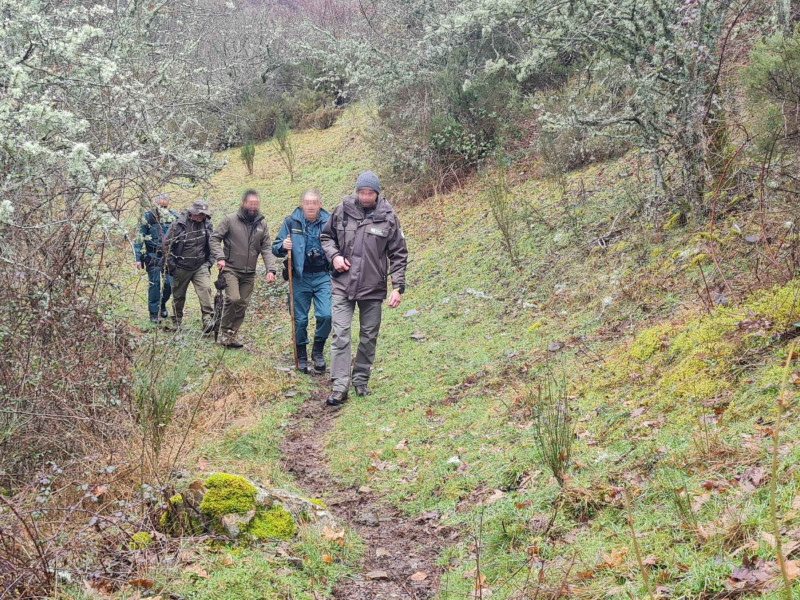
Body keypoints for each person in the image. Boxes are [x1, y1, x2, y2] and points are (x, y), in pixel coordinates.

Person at [320, 171, 408, 406]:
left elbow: (398, 253)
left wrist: (397, 286)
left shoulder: (388, 217)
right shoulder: (342, 211)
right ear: (357, 192)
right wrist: (335, 256)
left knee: (369, 336)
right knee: (340, 334)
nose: (366, 197)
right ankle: (339, 386)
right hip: (342, 284)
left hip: (373, 287)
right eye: (362, 192)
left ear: (377, 193)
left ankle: (360, 381)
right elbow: (326, 237)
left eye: (370, 193)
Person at [272, 190, 332, 373]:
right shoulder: (291, 222)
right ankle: (302, 354)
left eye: (314, 202)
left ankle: (318, 350)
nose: (311, 206)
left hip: (323, 275)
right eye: (307, 202)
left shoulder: (330, 222)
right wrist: (283, 246)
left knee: (326, 315)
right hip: (299, 276)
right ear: (301, 204)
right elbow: (275, 247)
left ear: (320, 204)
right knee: (299, 320)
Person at [210, 189, 276, 349]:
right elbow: (214, 238)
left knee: (243, 304)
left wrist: (271, 269)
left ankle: (231, 336)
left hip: (249, 272)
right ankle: (223, 332)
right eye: (250, 204)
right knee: (233, 298)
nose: (253, 207)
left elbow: (266, 248)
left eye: (256, 204)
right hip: (230, 268)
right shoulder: (230, 220)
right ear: (243, 203)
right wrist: (220, 257)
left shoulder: (262, 223)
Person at [165, 199, 215, 333]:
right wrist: (172, 266)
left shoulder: (207, 224)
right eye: (199, 214)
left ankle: (208, 320)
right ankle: (176, 322)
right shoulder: (179, 225)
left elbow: (213, 243)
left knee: (205, 289)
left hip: (201, 265)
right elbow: (166, 245)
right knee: (178, 295)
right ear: (192, 212)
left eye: (204, 214)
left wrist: (210, 262)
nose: (201, 216)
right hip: (181, 266)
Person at [134, 194, 178, 323]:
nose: (162, 209)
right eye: (160, 206)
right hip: (152, 255)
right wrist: (137, 257)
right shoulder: (148, 217)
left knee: (169, 284)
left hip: (169, 257)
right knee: (154, 284)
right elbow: (139, 238)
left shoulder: (174, 217)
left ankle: (162, 303)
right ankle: (153, 313)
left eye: (165, 206)